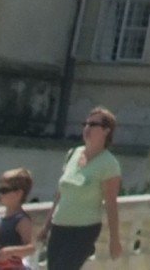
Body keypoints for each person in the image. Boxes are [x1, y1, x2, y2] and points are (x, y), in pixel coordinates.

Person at [44, 108, 122, 270]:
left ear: (106, 130)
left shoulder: (109, 164)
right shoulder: (73, 153)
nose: (87, 128)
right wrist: (46, 225)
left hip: (83, 230)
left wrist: (114, 239)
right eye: (85, 124)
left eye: (93, 124)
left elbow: (110, 204)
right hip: (59, 226)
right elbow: (60, 193)